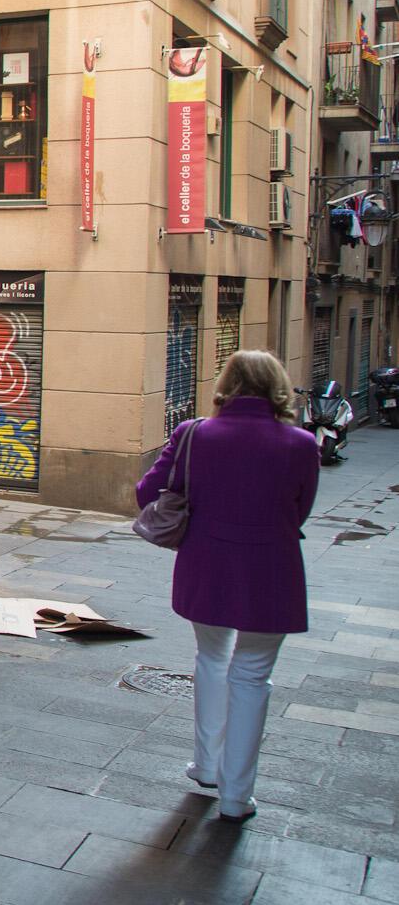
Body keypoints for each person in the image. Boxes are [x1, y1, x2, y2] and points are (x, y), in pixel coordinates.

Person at [135, 349, 319, 824]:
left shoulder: (194, 434)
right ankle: (237, 797)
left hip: (207, 564)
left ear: (227, 384)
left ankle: (207, 767)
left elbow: (146, 492)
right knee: (253, 675)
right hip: (272, 570)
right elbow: (300, 510)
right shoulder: (301, 444)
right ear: (277, 386)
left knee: (211, 659)